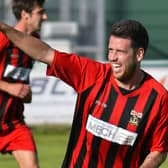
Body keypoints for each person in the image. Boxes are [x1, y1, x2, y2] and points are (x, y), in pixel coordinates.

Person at [0, 19, 168, 168]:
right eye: (110, 50)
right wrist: (4, 28)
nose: (113, 57)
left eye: (120, 52)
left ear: (139, 54)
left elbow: (159, 150)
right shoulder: (91, 74)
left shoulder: (158, 98)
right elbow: (45, 53)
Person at [0, 0, 47, 167]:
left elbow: (20, 75)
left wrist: (24, 92)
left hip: (13, 124)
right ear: (25, 15)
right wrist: (8, 87)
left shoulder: (34, 41)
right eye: (40, 12)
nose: (45, 17)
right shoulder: (3, 38)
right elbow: (10, 84)